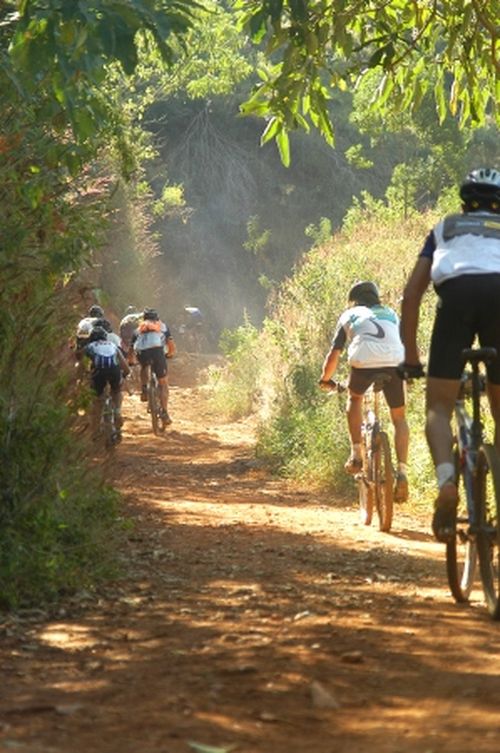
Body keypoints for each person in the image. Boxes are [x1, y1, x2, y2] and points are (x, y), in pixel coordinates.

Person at [399, 166, 500, 542]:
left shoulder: (444, 228)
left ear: (465, 203)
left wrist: (410, 358)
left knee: (437, 409)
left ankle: (446, 482)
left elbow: (412, 295)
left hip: (455, 298)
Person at [319, 281, 409, 502]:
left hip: (363, 362)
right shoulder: (391, 313)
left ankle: (357, 453)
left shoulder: (349, 315)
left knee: (355, 397)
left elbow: (335, 353)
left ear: (355, 300)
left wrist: (326, 379)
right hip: (396, 362)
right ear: (377, 297)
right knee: (399, 418)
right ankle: (403, 472)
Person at [84, 325, 130, 440]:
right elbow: (125, 367)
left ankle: (95, 431)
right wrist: (124, 375)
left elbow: (83, 366)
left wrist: (82, 376)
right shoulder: (112, 345)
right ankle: (118, 412)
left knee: (97, 400)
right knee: (116, 391)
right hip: (114, 371)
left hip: (98, 373)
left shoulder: (89, 346)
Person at [133, 308, 176, 424]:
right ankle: (165, 412)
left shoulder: (139, 328)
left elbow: (132, 349)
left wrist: (131, 361)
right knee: (163, 384)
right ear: (157, 318)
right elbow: (170, 344)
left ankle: (144, 390)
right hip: (157, 352)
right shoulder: (162, 326)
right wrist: (170, 354)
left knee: (143, 367)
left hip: (143, 353)